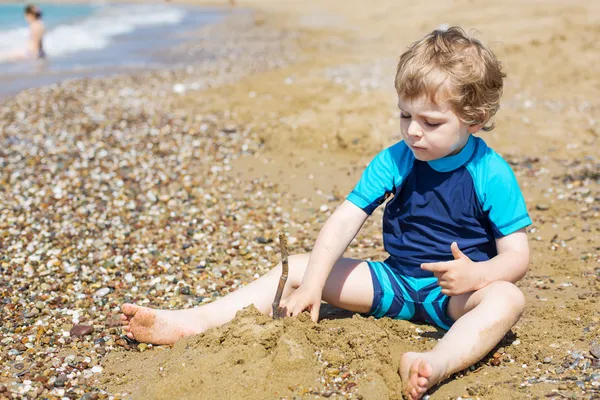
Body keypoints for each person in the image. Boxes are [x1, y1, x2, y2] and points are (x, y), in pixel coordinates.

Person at [121, 26, 531, 400]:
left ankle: (434, 363)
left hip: (455, 295)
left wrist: (479, 276)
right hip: (393, 282)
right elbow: (345, 218)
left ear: (474, 119)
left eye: (431, 121)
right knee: (301, 266)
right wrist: (314, 284)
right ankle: (197, 320)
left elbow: (517, 256)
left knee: (507, 298)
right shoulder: (396, 159)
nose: (413, 131)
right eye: (405, 115)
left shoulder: (490, 174)